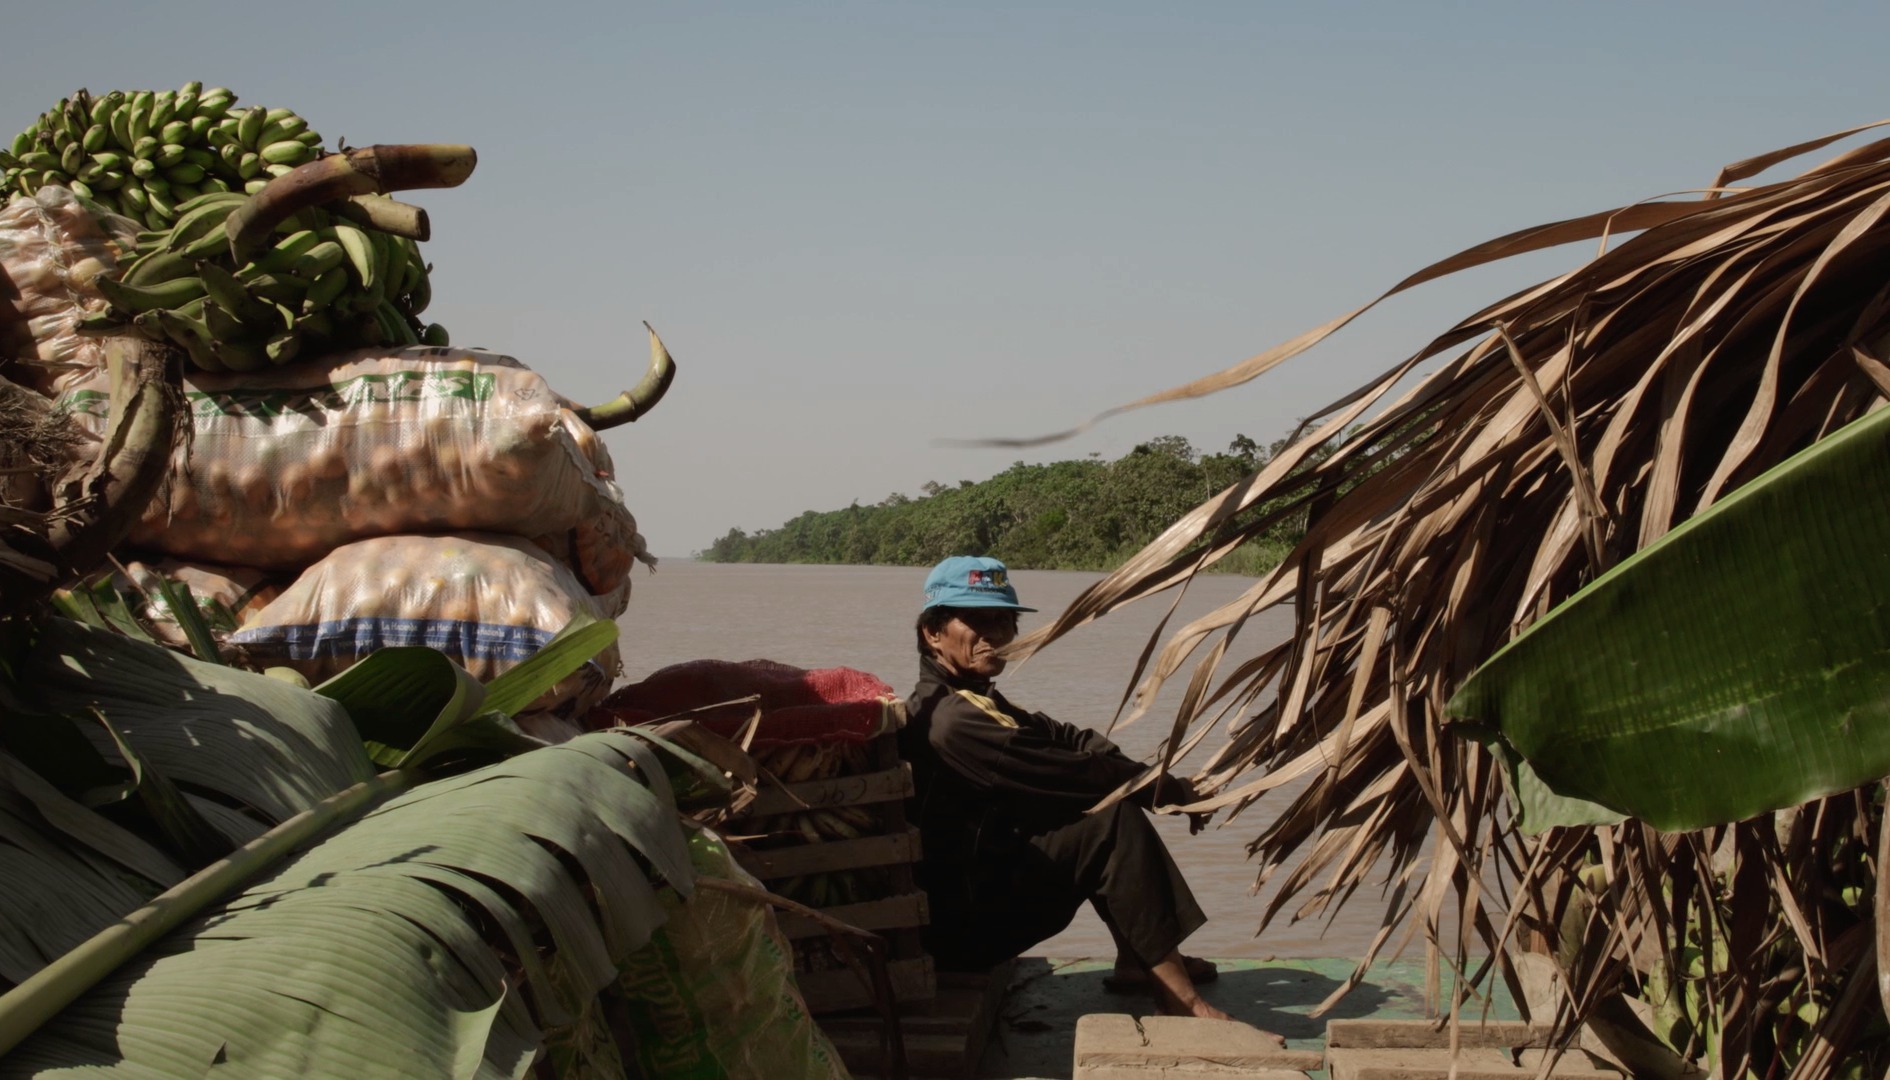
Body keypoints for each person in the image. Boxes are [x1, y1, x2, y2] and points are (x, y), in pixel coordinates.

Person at [900, 555, 1265, 1027]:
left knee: (1097, 810)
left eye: (1002, 620)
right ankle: (1180, 1001)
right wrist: (1166, 790)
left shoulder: (973, 699)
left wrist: (1148, 779)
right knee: (1108, 821)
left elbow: (1066, 738)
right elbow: (1077, 773)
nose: (992, 633)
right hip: (962, 930)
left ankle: (1137, 960)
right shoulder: (954, 722)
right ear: (933, 632)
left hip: (976, 895)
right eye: (975, 620)